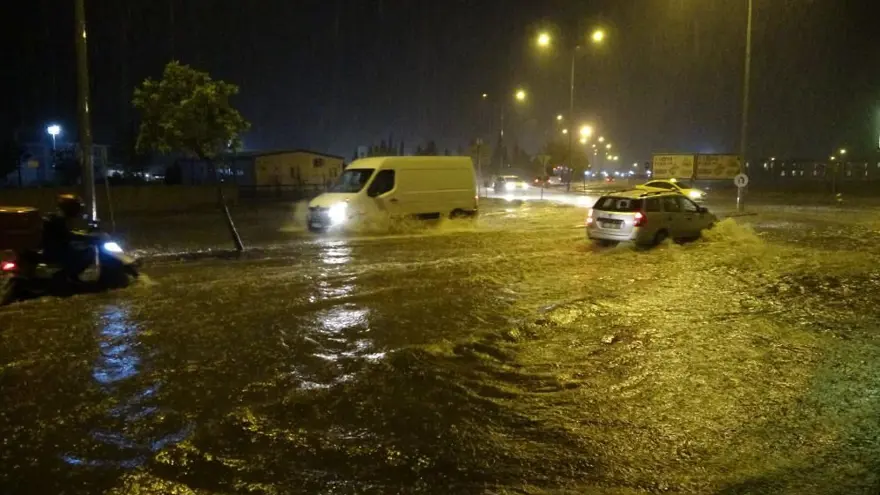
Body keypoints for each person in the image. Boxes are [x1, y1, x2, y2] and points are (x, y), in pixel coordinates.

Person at [41, 194, 94, 283]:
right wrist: (87, 237)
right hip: (56, 251)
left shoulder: (57, 217)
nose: (78, 211)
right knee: (90, 251)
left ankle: (69, 276)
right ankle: (67, 274)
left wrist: (81, 235)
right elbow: (66, 235)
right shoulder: (59, 219)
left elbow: (66, 234)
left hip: (55, 248)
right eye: (76, 207)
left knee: (79, 248)